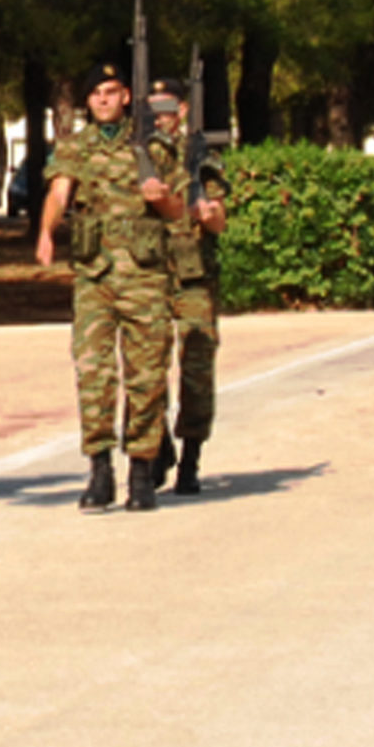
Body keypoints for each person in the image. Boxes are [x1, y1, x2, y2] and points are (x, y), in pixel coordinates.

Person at [36, 61, 185, 512]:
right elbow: (59, 192)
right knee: (93, 372)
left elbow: (178, 212)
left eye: (111, 91)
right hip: (95, 276)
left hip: (143, 277)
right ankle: (99, 468)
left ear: (125, 97)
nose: (103, 99)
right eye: (95, 93)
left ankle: (142, 469)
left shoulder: (153, 147)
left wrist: (163, 199)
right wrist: (46, 231)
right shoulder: (75, 148)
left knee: (146, 374)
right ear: (88, 101)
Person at [150, 76, 228, 494]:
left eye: (165, 108)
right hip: (148, 275)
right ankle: (158, 442)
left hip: (195, 276)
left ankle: (191, 458)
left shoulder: (201, 156)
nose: (157, 117)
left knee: (197, 368)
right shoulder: (136, 155)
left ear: (181, 110)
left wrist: (207, 214)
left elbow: (220, 220)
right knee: (147, 368)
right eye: (151, 109)